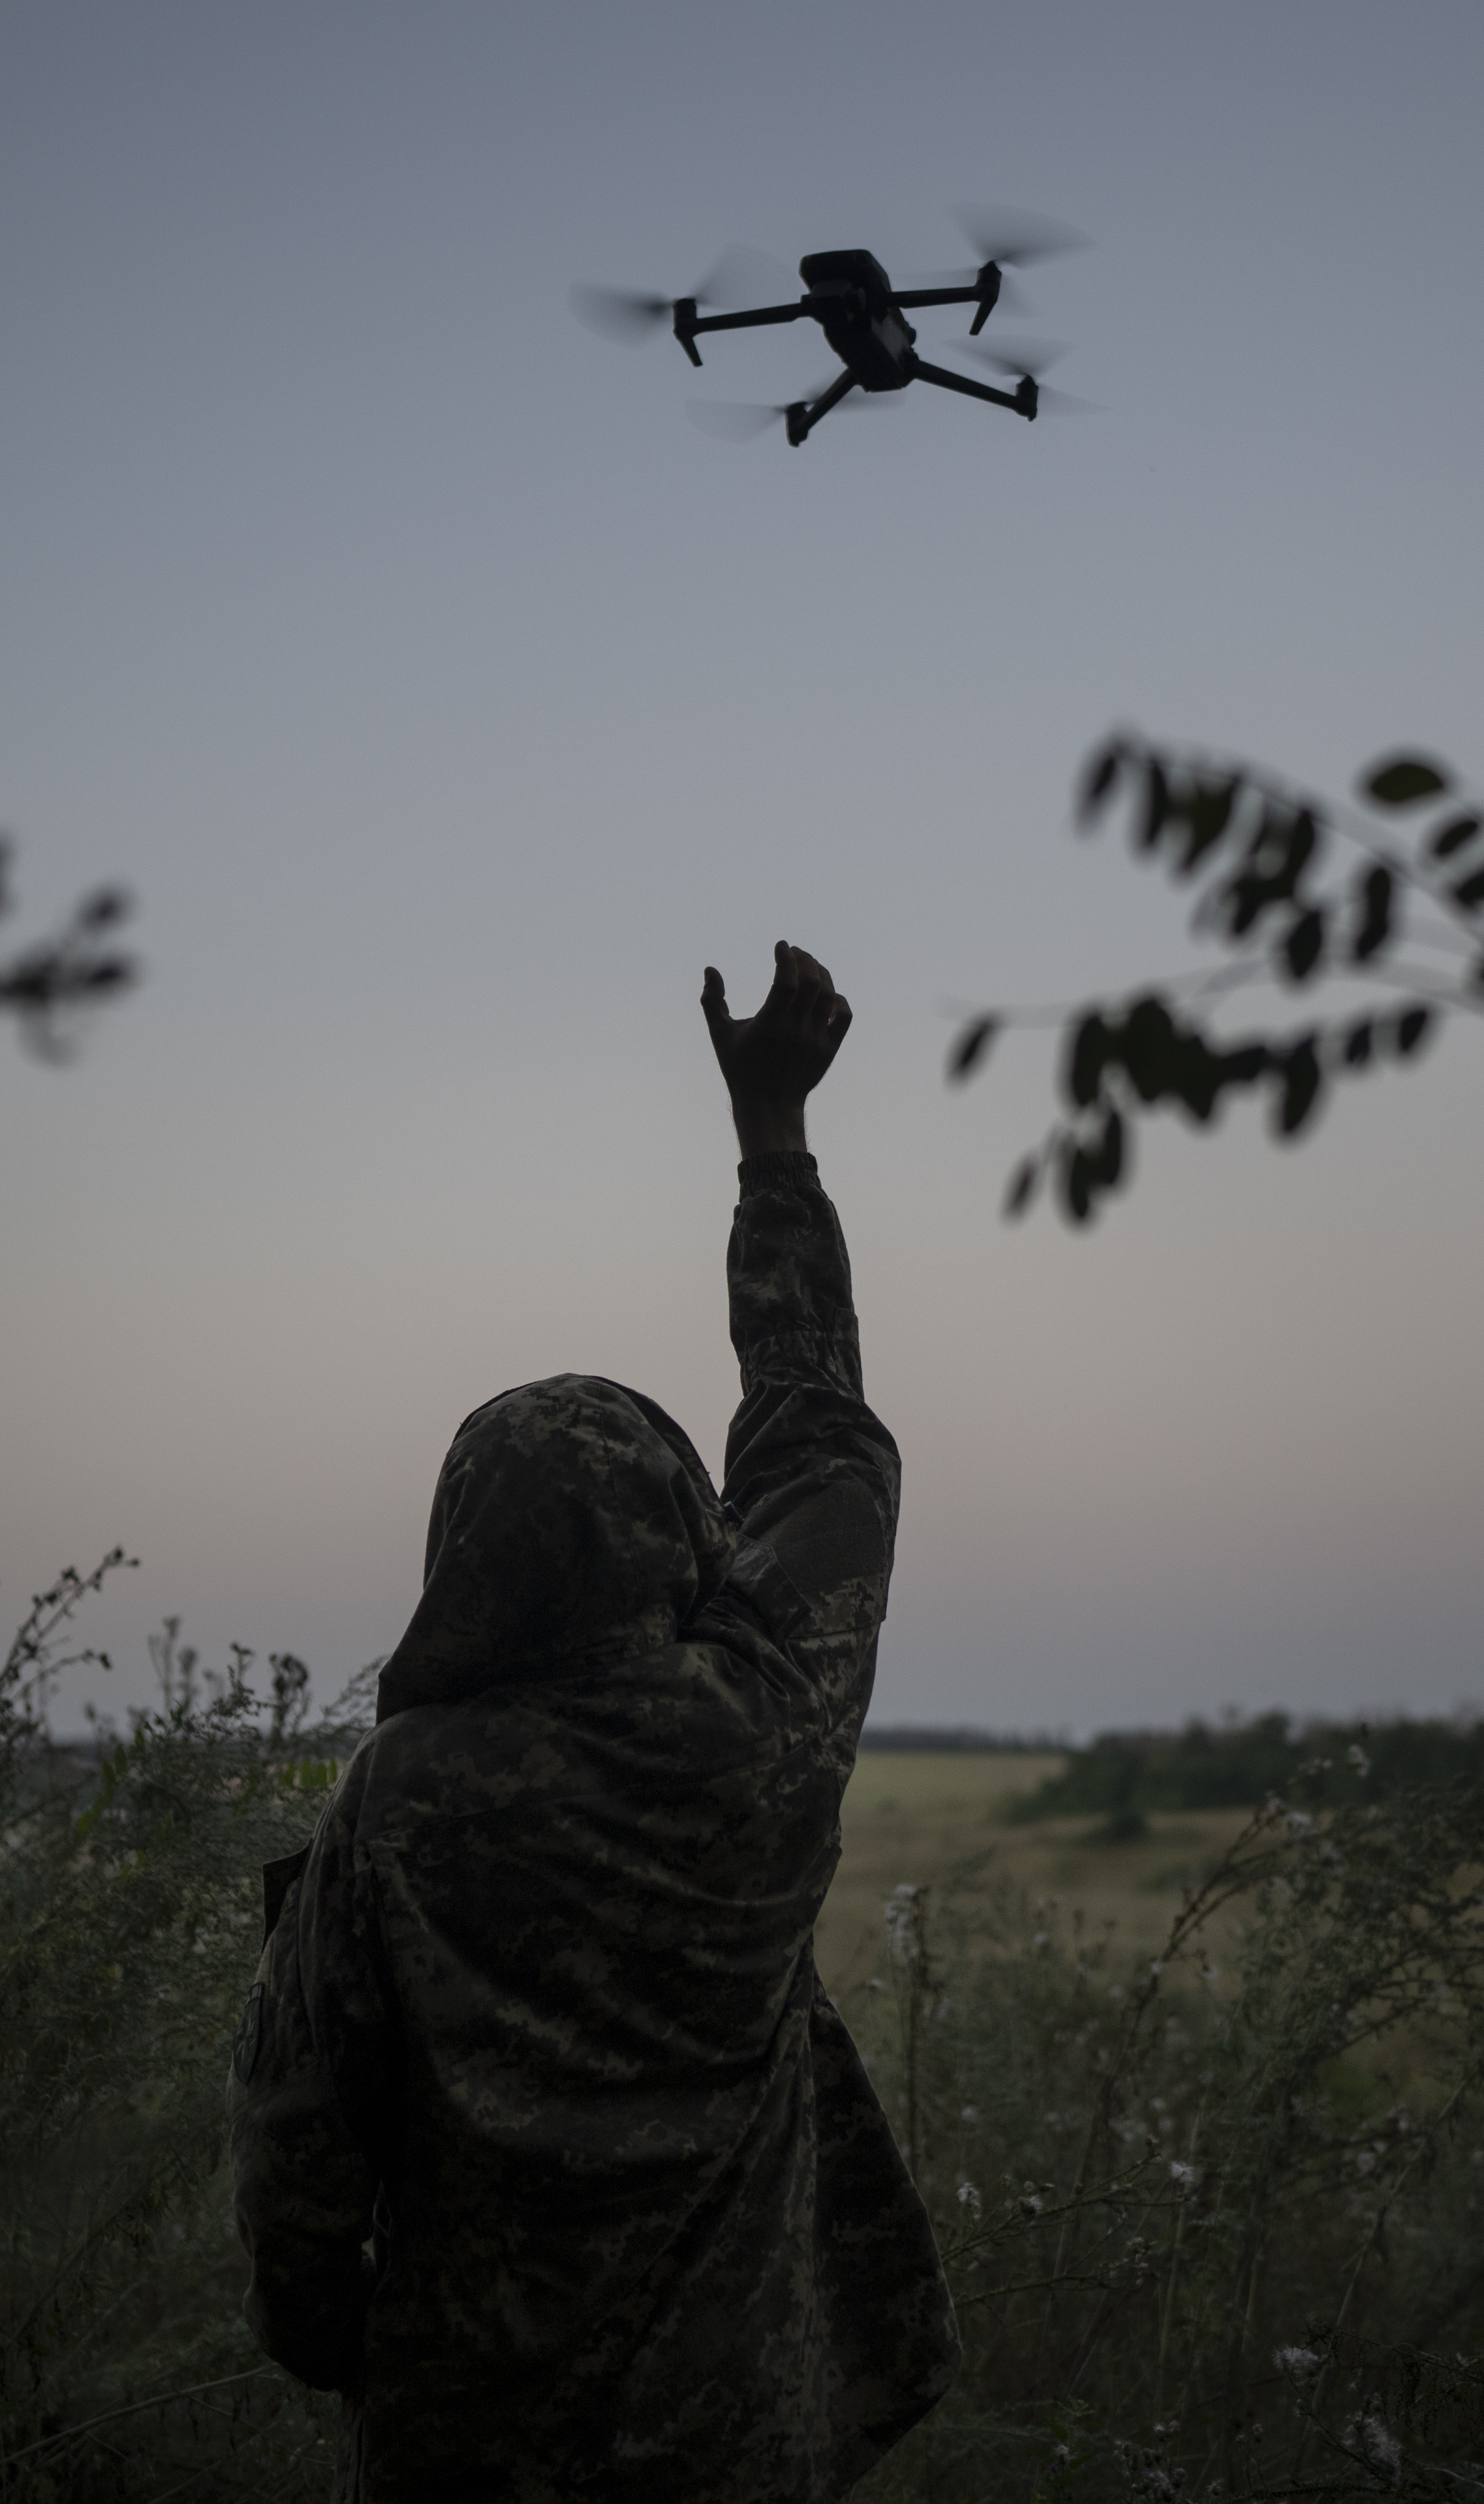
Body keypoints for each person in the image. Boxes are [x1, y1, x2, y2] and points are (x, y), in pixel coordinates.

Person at [230, 941, 956, 2501]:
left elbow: (297, 2135)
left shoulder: (399, 1801)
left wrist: (330, 2337)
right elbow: (818, 1431)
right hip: (736, 2439)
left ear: (466, 1552)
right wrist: (775, 1145)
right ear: (682, 1537)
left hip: (462, 2444)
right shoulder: (770, 1727)